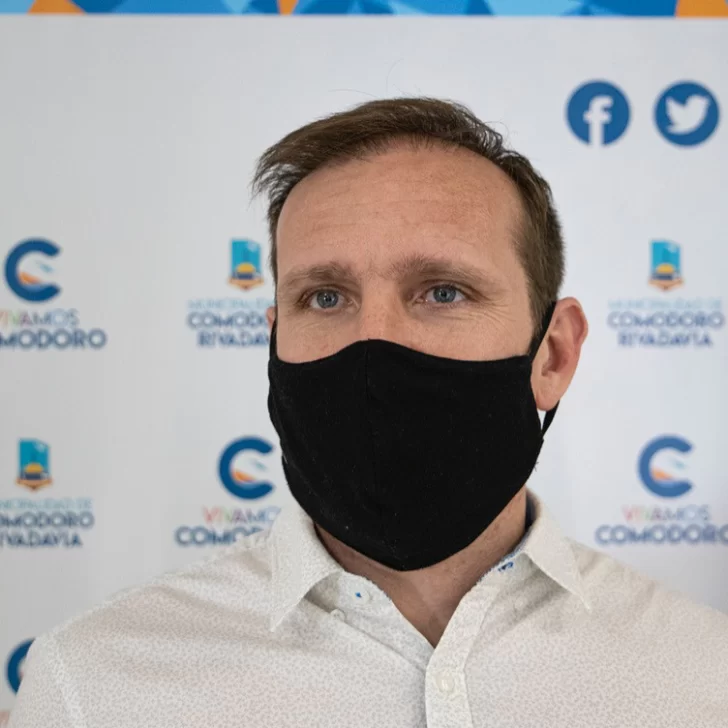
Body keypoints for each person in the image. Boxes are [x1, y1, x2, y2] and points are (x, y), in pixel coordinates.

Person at [10, 98, 728, 728]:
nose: (373, 344)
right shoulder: (94, 687)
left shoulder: (704, 676)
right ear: (274, 342)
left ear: (553, 355)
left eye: (442, 292)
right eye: (325, 297)